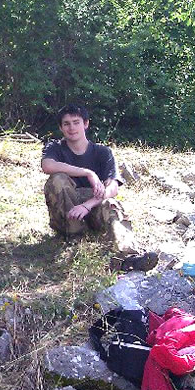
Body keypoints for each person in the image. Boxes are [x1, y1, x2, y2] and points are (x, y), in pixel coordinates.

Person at [41, 104, 151, 268]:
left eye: (76, 122)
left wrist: (87, 205)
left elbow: (112, 188)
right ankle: (74, 237)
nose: (72, 128)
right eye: (67, 123)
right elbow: (47, 166)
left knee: (112, 204)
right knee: (58, 179)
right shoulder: (54, 147)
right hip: (65, 214)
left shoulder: (102, 152)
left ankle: (129, 256)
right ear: (61, 127)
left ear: (86, 124)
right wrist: (87, 172)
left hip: (93, 207)